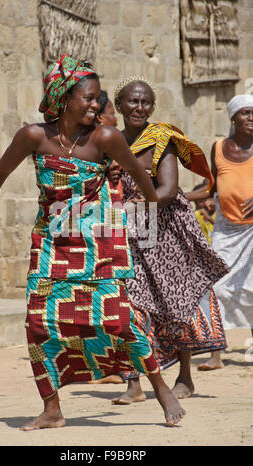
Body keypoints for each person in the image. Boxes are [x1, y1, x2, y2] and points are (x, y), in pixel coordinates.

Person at [0, 55, 186, 429]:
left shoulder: (106, 137)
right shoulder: (34, 136)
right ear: (64, 98)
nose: (95, 105)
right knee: (39, 324)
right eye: (88, 98)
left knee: (118, 321)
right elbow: (0, 171)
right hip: (51, 245)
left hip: (98, 244)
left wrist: (149, 203)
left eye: (97, 98)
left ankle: (161, 388)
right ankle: (52, 409)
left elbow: (139, 173)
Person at [109, 77, 229, 404]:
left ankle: (185, 377)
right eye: (133, 102)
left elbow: (167, 191)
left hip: (165, 232)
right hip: (127, 233)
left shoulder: (162, 139)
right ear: (119, 105)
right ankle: (133, 384)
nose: (139, 108)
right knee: (127, 305)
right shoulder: (109, 141)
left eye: (146, 102)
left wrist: (131, 207)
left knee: (174, 303)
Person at [196, 94, 253, 371]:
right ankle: (216, 352)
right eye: (245, 113)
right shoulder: (218, 147)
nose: (251, 118)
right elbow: (212, 185)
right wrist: (177, 196)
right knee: (215, 287)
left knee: (251, 288)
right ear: (233, 118)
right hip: (226, 229)